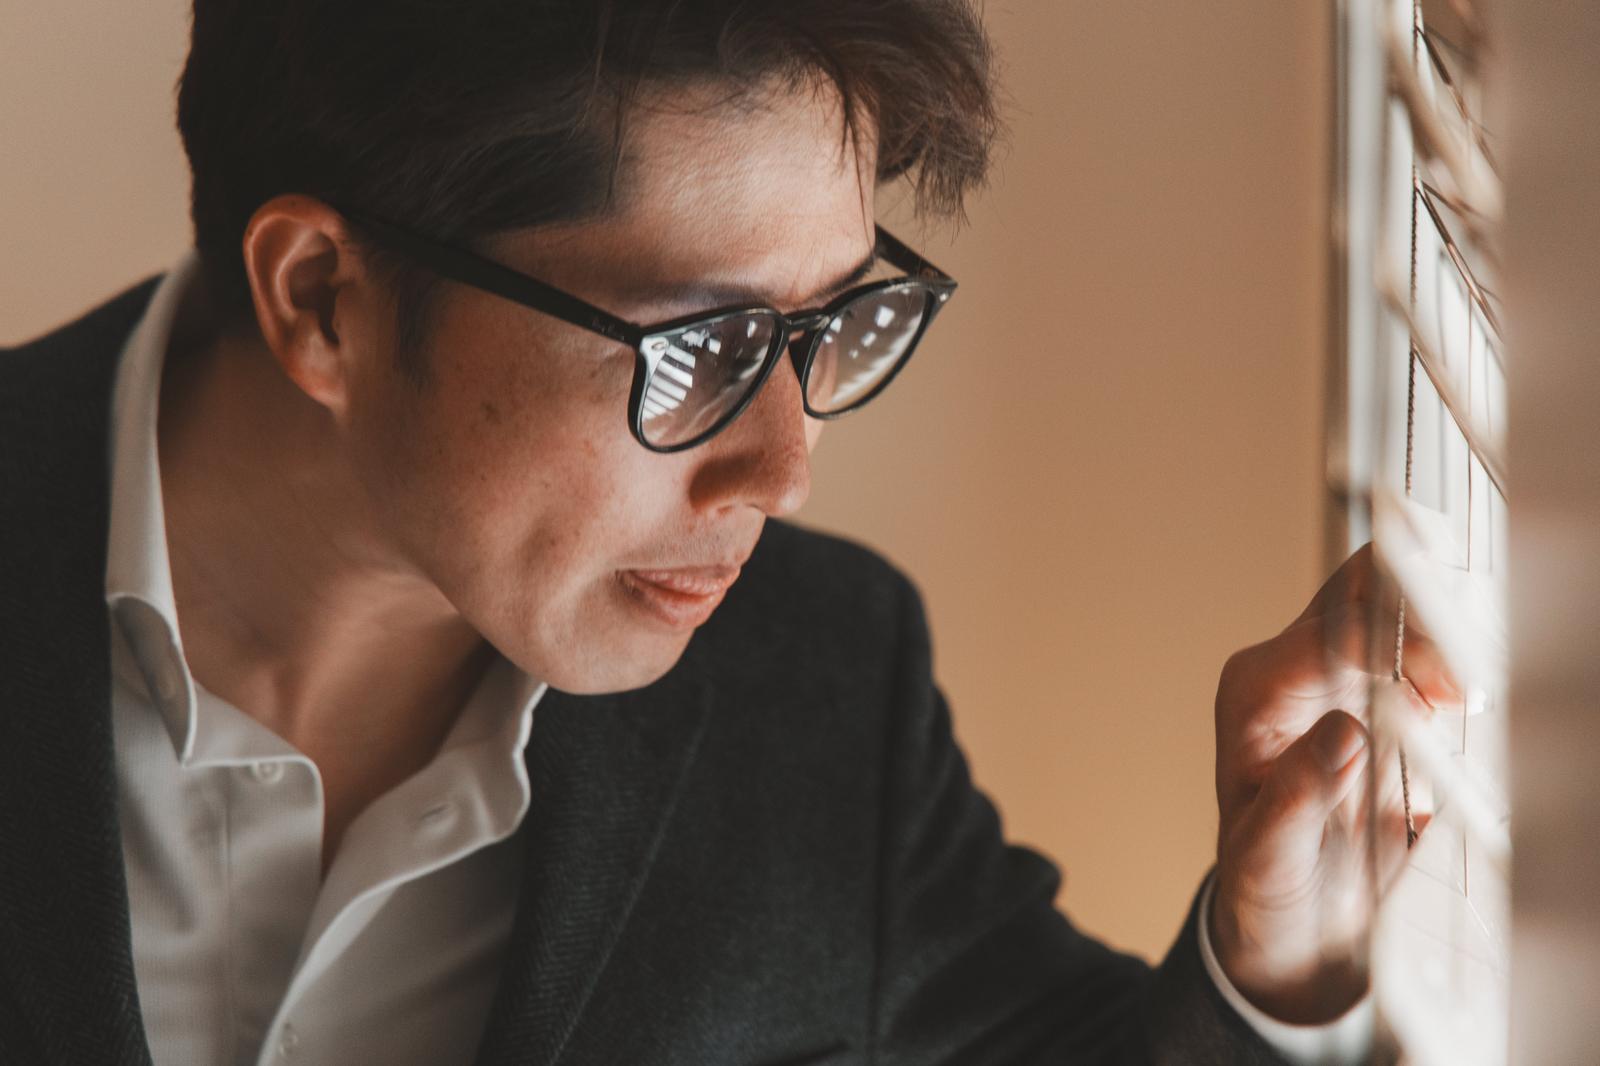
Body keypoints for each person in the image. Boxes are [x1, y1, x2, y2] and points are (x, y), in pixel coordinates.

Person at [0, 2, 1457, 1063]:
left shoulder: (816, 685)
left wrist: (1284, 949)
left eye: (834, 322)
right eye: (702, 347)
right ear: (326, 297)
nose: (787, 465)